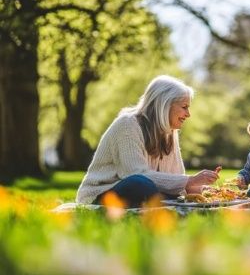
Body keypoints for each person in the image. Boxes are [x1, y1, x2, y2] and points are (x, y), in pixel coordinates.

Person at [76, 75, 219, 207]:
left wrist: (197, 188)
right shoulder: (127, 124)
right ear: (164, 105)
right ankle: (163, 205)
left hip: (143, 192)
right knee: (139, 183)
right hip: (101, 195)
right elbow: (134, 174)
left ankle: (162, 205)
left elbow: (175, 180)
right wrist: (188, 180)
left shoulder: (170, 132)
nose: (188, 114)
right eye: (184, 107)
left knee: (158, 190)